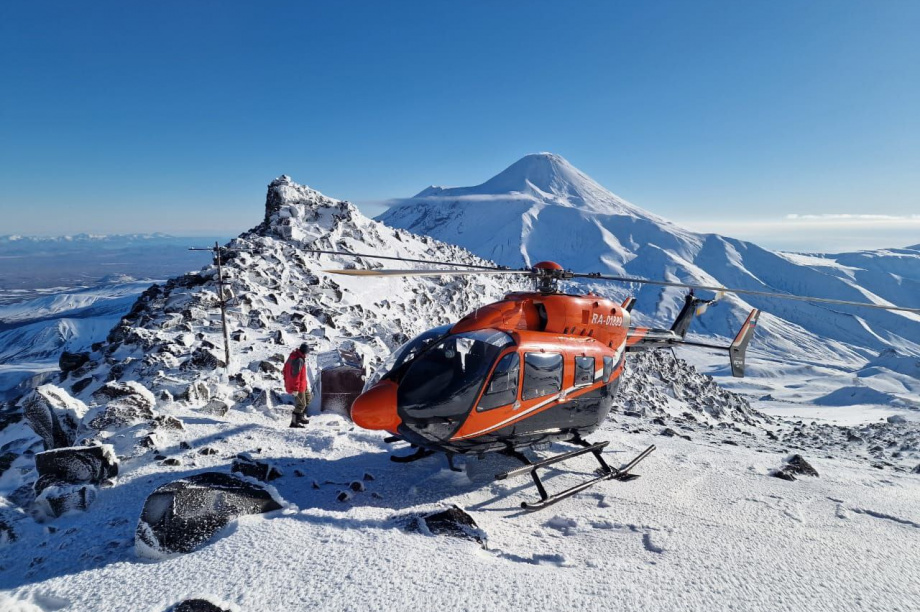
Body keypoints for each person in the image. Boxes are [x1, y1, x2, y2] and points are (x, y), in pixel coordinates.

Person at [283, 342, 312, 428]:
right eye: (307, 353)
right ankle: (294, 423)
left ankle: (300, 416)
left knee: (308, 399)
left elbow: (284, 370)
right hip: (297, 387)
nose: (308, 355)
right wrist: (295, 389)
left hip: (302, 384)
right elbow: (295, 376)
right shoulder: (298, 360)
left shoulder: (296, 356)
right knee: (301, 404)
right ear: (304, 352)